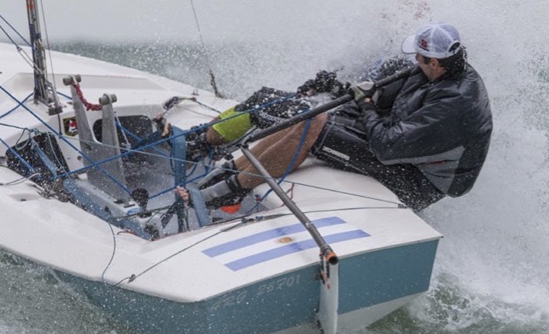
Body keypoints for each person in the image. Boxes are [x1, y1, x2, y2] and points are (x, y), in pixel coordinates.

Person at [199, 23, 492, 212]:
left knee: (312, 126)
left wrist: (366, 105)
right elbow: (378, 99)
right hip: (398, 148)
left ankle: (230, 191)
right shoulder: (429, 72)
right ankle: (226, 174)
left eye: (419, 56)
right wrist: (342, 89)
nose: (414, 60)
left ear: (435, 61)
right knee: (308, 115)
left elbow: (386, 147)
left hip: (417, 181)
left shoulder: (455, 102)